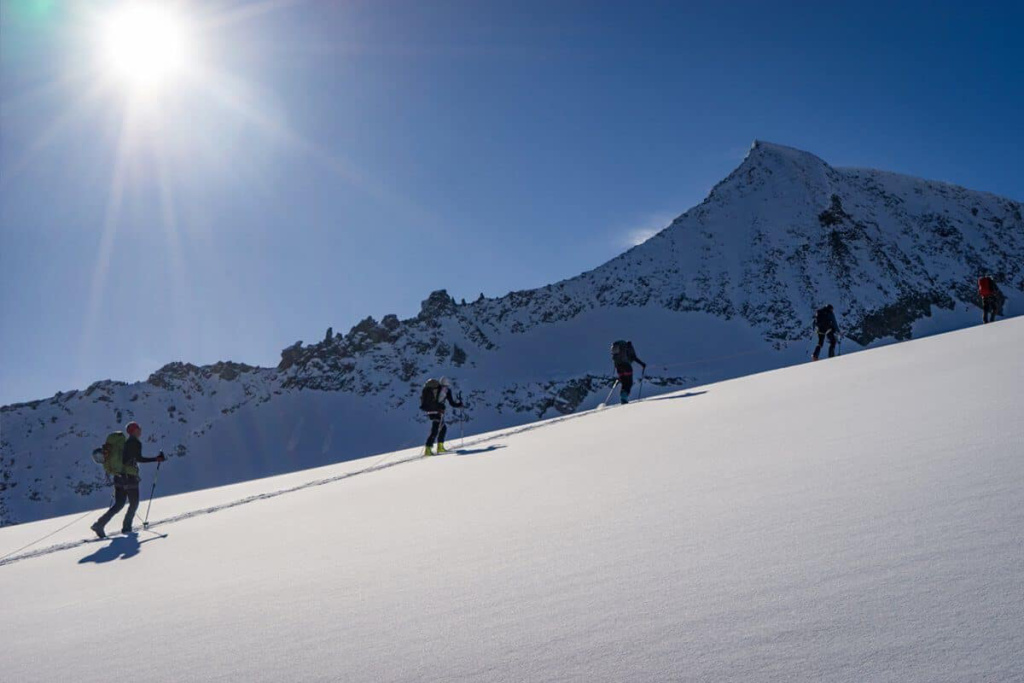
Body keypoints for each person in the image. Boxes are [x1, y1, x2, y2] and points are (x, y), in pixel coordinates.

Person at [91, 422, 165, 538]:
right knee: (134, 503)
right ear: (134, 430)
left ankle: (99, 524)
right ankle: (127, 528)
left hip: (118, 477)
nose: (140, 430)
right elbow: (139, 458)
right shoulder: (134, 442)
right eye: (138, 428)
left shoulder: (123, 444)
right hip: (129, 478)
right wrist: (156, 459)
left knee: (119, 504)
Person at [420, 377, 463, 456]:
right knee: (436, 429)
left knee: (441, 428)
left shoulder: (436, 389)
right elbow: (452, 403)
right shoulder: (446, 390)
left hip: (431, 411)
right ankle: (429, 449)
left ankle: (438, 447)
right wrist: (459, 404)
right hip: (438, 411)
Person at [610, 340, 646, 404]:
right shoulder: (629, 347)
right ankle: (624, 397)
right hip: (626, 367)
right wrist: (642, 364)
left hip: (618, 367)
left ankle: (623, 398)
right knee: (629, 382)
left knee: (624, 383)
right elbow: (634, 357)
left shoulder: (619, 351)